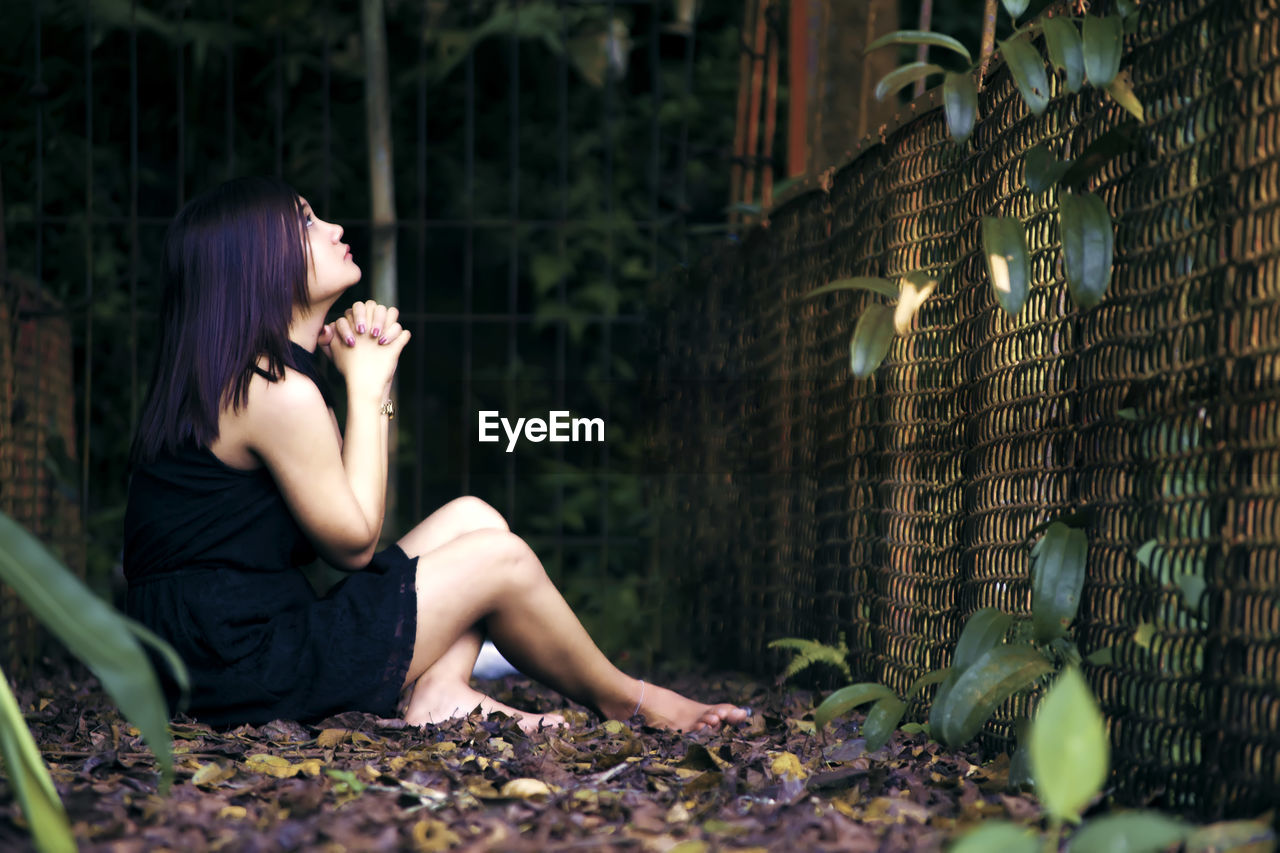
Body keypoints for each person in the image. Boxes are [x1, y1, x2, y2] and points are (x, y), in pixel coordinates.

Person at [123, 176, 749, 734]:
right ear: (256, 262)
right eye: (308, 221)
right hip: (240, 671)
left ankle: (442, 694)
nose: (335, 228)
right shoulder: (273, 393)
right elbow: (354, 542)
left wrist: (368, 385)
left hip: (221, 653)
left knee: (473, 517)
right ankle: (631, 701)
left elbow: (342, 518)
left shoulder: (246, 381)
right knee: (496, 558)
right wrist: (368, 388)